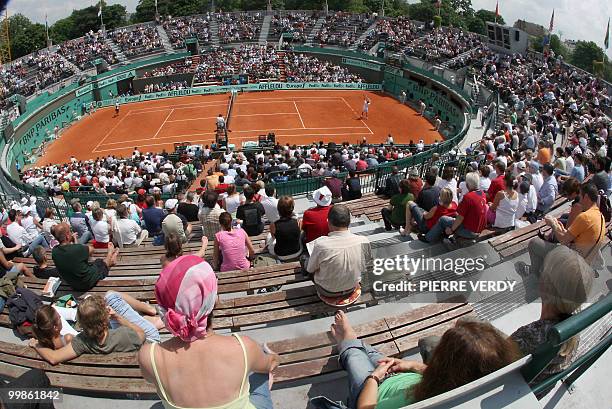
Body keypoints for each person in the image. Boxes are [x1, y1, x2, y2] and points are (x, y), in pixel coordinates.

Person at [138, 255, 278, 409]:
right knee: (261, 373)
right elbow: (269, 364)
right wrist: (273, 357)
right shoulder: (243, 347)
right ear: (214, 300)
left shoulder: (148, 356)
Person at [313, 311, 521, 409]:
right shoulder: (466, 384)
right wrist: (412, 365)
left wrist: (374, 379)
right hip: (401, 374)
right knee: (367, 352)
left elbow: (365, 408)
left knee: (355, 356)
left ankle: (346, 340)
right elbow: (443, 377)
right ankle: (349, 340)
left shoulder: (416, 400)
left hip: (372, 389)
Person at [512, 246, 593, 385]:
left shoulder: (530, 335)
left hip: (519, 386)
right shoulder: (574, 324)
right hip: (542, 386)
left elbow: (496, 359)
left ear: (545, 286)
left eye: (542, 271)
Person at [29, 294, 146, 365]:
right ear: (105, 319)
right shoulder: (123, 334)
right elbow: (142, 334)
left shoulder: (81, 341)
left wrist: (36, 346)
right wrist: (118, 318)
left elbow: (54, 358)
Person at [525, 182, 606, 275]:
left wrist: (553, 224)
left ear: (586, 197)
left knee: (534, 243)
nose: (579, 200)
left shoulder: (585, 217)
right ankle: (544, 272)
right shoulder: (600, 217)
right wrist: (558, 227)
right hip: (583, 261)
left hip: (572, 262)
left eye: (580, 196)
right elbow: (572, 237)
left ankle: (535, 275)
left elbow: (564, 241)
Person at [306, 205, 371, 299]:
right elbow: (367, 265)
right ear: (349, 222)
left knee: (305, 261)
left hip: (327, 291)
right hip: (351, 287)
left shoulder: (321, 244)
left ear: (328, 222)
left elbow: (310, 269)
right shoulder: (364, 240)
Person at [420, 172, 487, 243]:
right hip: (478, 229)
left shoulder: (468, 197)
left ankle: (428, 238)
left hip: (469, 232)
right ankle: (444, 236)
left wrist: (451, 229)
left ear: (467, 184)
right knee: (451, 219)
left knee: (443, 219)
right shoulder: (482, 193)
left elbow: (460, 218)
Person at [51, 223, 118, 291]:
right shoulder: (77, 249)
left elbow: (76, 251)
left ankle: (111, 260)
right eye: (70, 231)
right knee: (102, 263)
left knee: (97, 262)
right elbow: (91, 249)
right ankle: (110, 254)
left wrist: (74, 239)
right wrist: (74, 239)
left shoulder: (54, 252)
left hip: (74, 284)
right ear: (67, 236)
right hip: (87, 282)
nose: (71, 233)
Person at [267, 196, 302, 261]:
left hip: (281, 255)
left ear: (278, 209)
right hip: (297, 252)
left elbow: (273, 237)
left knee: (269, 236)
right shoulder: (298, 222)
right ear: (292, 209)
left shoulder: (273, 225)